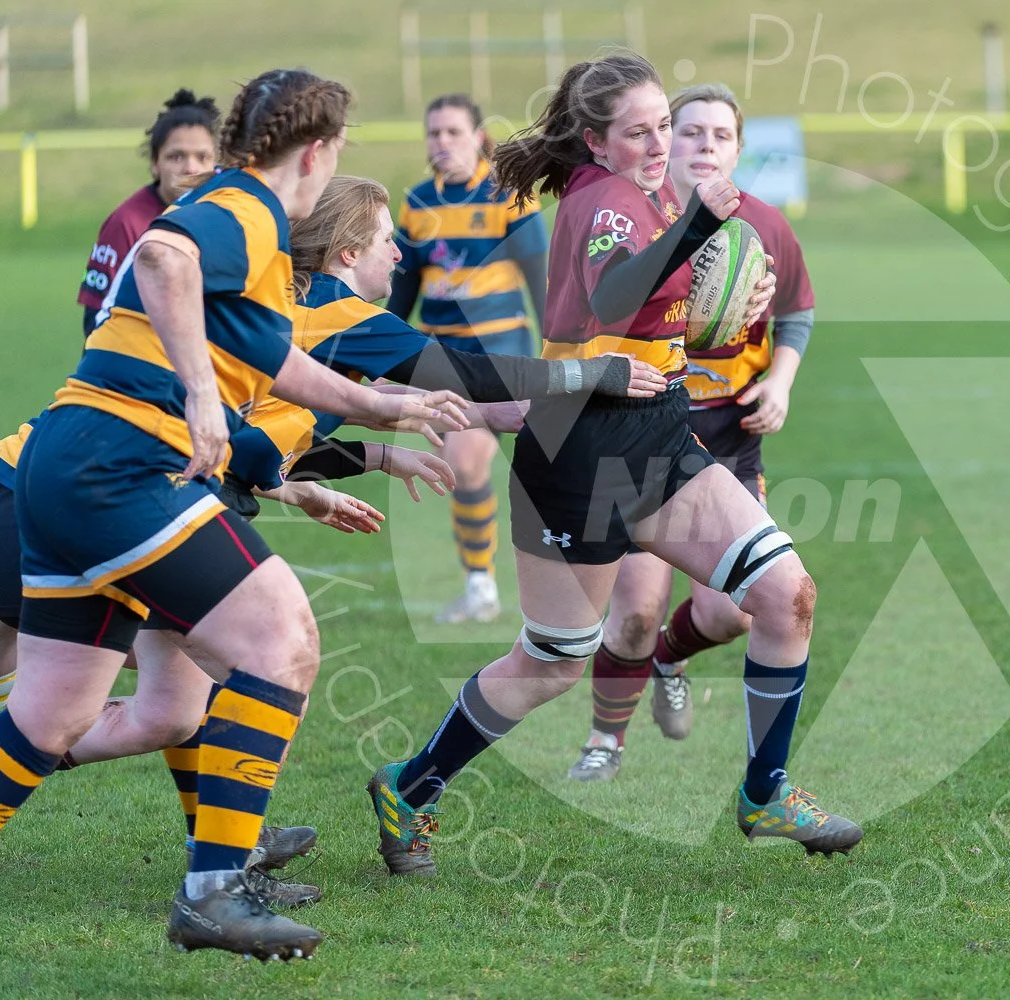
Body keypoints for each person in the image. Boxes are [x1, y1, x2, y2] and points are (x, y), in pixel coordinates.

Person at [0, 68, 469, 961]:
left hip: (77, 466)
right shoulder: (246, 210)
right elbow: (163, 264)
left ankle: (223, 864)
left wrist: (366, 431)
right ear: (318, 153)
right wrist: (206, 400)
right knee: (276, 637)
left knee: (63, 712)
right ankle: (216, 883)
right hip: (92, 469)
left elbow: (278, 393)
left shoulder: (260, 256)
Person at [365, 52, 862, 880]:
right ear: (595, 141)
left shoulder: (652, 194)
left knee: (784, 594)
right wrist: (699, 228)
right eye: (640, 132)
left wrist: (723, 307)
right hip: (579, 451)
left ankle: (765, 790)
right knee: (553, 662)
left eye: (666, 125)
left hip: (661, 436)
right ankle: (411, 784)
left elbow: (659, 312)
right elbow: (613, 299)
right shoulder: (603, 203)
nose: (661, 142)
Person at [569, 82, 816, 781]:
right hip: (649, 436)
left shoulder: (766, 225)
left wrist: (780, 380)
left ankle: (671, 660)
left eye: (720, 135)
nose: (704, 145)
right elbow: (600, 314)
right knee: (636, 613)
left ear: (738, 149)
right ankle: (603, 744)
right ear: (665, 142)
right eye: (690, 132)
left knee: (734, 612)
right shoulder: (632, 222)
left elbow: (797, 310)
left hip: (730, 439)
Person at [389, 94, 549, 625]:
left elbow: (539, 278)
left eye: (453, 132)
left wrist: (557, 348)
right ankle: (480, 585)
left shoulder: (509, 193)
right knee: (466, 464)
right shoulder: (415, 202)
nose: (442, 143)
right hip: (446, 356)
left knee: (546, 467)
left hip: (506, 352)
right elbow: (403, 289)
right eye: (433, 133)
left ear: (478, 137)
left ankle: (574, 572)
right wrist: (379, 350)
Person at [77, 89, 220, 336]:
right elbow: (95, 320)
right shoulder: (127, 222)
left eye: (202, 157)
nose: (190, 168)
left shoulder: (225, 217)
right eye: (176, 157)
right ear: (155, 163)